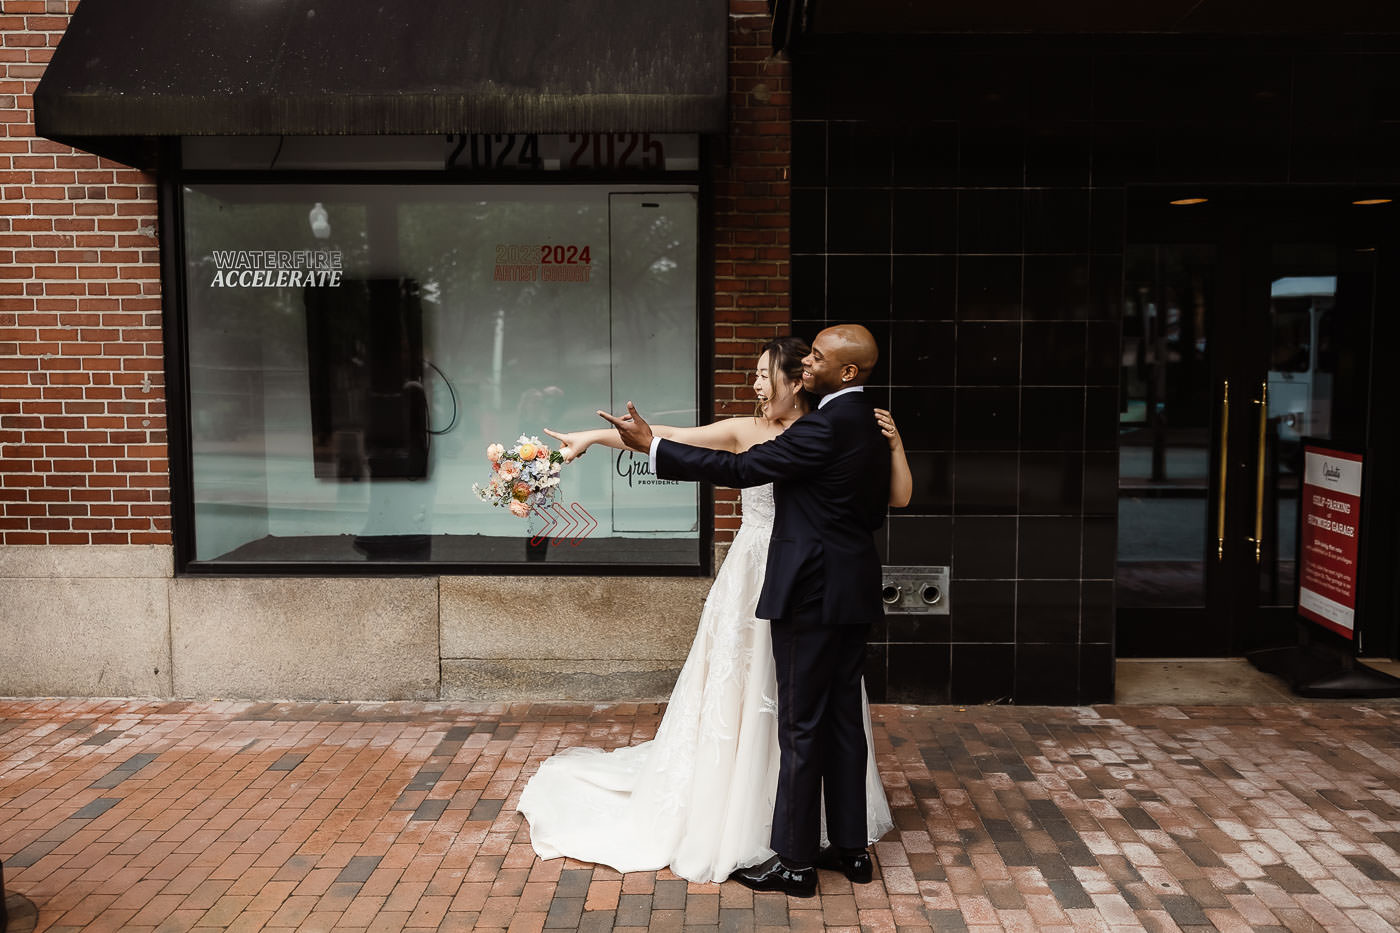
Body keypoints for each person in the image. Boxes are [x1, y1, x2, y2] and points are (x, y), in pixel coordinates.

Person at [516, 335, 910, 886]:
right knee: (844, 721)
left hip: (809, 587)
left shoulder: (823, 425)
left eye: (817, 359)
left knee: (800, 726)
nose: (809, 364)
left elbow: (745, 470)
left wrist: (652, 446)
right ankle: (848, 848)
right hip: (854, 588)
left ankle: (796, 863)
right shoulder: (867, 421)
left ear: (842, 373)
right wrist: (623, 440)